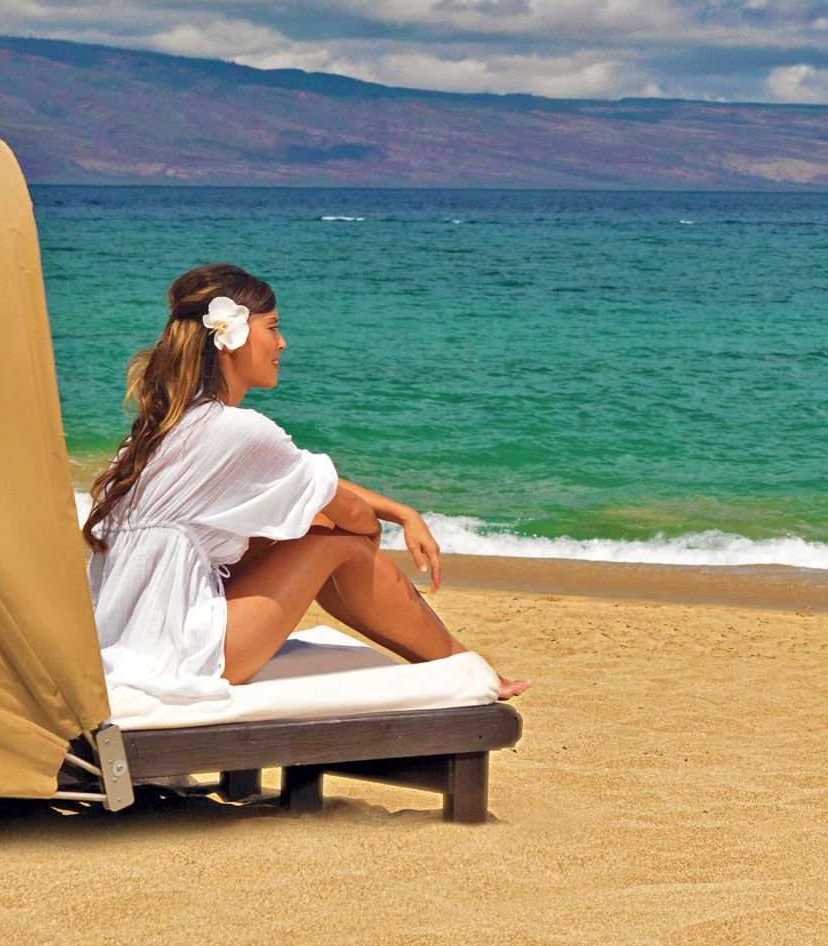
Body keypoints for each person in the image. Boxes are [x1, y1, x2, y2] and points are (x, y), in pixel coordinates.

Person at [83, 261, 524, 705]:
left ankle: (448, 665)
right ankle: (462, 665)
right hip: (184, 657)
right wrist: (370, 529)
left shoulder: (167, 426)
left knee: (318, 521)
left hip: (128, 646)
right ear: (230, 340)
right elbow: (349, 511)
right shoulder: (239, 429)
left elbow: (306, 476)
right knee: (341, 541)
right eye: (272, 328)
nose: (282, 342)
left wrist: (400, 511)